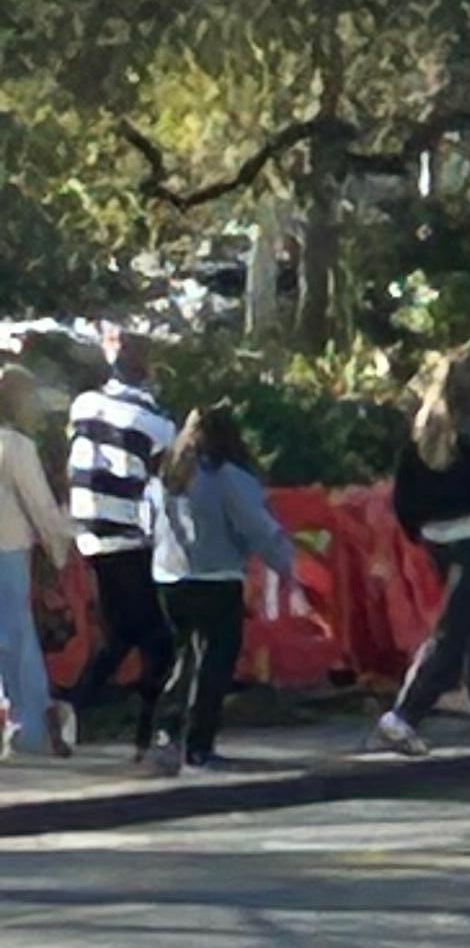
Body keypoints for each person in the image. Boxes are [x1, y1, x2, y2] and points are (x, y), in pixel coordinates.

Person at [373, 349, 470, 756]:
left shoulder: (422, 428)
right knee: (454, 631)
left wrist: (416, 530)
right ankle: (405, 714)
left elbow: (403, 490)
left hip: (436, 536)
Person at [142, 408, 297, 779]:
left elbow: (146, 523)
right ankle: (199, 746)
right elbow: (258, 528)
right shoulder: (227, 477)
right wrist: (288, 565)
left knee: (184, 657)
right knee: (214, 663)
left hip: (169, 577)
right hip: (217, 577)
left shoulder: (166, 475)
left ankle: (165, 732)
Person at [62, 330, 178, 759]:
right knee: (157, 640)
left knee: (123, 634)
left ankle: (74, 708)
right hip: (130, 537)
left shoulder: (84, 406)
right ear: (146, 369)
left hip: (89, 534)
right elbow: (166, 480)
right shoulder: (158, 423)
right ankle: (150, 732)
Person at [0, 365, 79, 767]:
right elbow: (40, 504)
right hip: (9, 547)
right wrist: (61, 542)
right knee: (18, 637)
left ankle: (18, 719)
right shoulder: (15, 445)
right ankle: (29, 726)